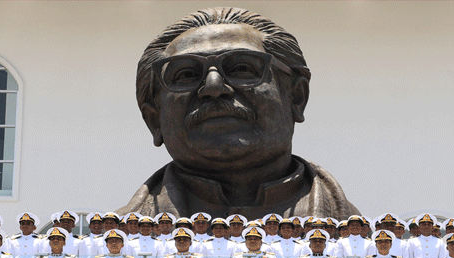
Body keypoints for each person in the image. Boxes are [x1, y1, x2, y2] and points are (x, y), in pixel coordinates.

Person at [116, 7, 359, 219]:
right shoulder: (114, 239)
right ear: (154, 119)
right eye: (186, 74)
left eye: (242, 68)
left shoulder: (366, 237)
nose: (213, 87)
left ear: (296, 97)